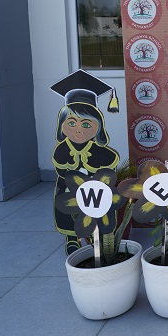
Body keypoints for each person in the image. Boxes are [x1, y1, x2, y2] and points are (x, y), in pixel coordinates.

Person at [50, 70, 119, 254]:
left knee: (101, 210)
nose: (78, 130)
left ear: (99, 127)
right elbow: (63, 171)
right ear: (61, 125)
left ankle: (102, 238)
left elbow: (108, 170)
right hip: (69, 189)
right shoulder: (61, 150)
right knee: (66, 209)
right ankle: (72, 239)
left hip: (95, 190)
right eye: (71, 123)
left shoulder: (102, 152)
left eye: (86, 124)